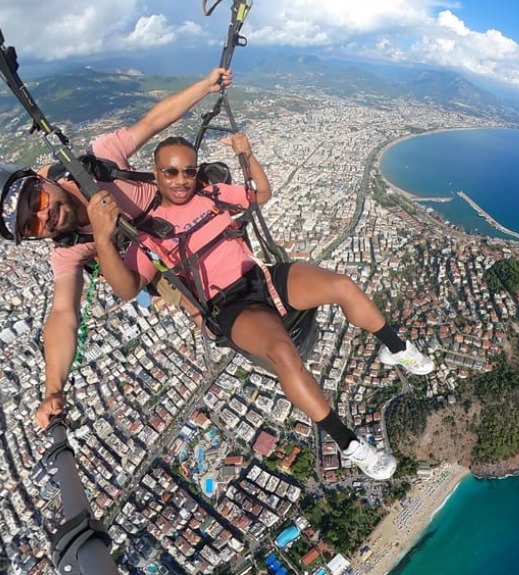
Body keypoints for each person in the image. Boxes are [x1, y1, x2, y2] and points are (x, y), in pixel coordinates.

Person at [87, 133, 434, 480]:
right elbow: (129, 287)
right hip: (229, 305)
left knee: (342, 285)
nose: (181, 181)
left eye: (188, 171)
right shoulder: (150, 234)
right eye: (171, 172)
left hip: (261, 276)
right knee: (282, 351)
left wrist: (248, 156)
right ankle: (350, 444)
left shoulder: (212, 194)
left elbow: (260, 194)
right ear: (156, 174)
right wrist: (102, 238)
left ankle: (397, 348)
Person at [0, 67, 233, 430]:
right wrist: (52, 389)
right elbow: (63, 313)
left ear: (41, 181)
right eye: (32, 225)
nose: (45, 215)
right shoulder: (69, 247)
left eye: (38, 199)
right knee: (209, 319)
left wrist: (206, 85)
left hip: (175, 210)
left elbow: (153, 121)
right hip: (155, 256)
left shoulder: (98, 164)